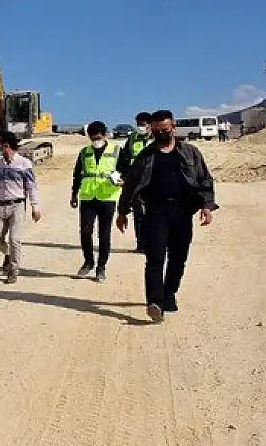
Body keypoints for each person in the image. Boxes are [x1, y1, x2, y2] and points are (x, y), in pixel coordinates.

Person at [117, 109, 217, 323]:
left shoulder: (191, 152)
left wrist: (206, 206)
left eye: (165, 130)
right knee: (155, 259)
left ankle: (169, 293)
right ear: (152, 130)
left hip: (182, 213)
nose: (161, 134)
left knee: (178, 259)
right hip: (155, 213)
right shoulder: (146, 156)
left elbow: (204, 180)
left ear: (174, 127)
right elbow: (131, 184)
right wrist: (122, 211)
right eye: (157, 131)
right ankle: (155, 302)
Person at [70, 121, 123, 282]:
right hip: (87, 197)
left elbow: (126, 170)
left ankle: (101, 267)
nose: (96, 141)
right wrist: (74, 194)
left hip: (107, 197)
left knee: (104, 234)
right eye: (93, 138)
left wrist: (122, 179)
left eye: (98, 137)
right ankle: (88, 262)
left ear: (105, 135)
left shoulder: (116, 150)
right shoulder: (84, 152)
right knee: (85, 232)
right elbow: (78, 174)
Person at [0, 132, 42, 284]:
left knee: (14, 239)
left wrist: (35, 207)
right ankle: (8, 254)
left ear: (8, 146)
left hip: (17, 205)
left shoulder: (24, 164)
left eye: (2, 146)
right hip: (0, 205)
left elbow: (31, 186)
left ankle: (13, 270)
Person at [117, 111, 153, 251]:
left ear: (150, 125)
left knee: (156, 213)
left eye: (143, 125)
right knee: (139, 213)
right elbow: (125, 158)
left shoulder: (158, 138)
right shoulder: (132, 138)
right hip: (136, 181)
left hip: (154, 181)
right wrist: (123, 177)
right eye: (138, 125)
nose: (140, 127)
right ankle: (141, 244)